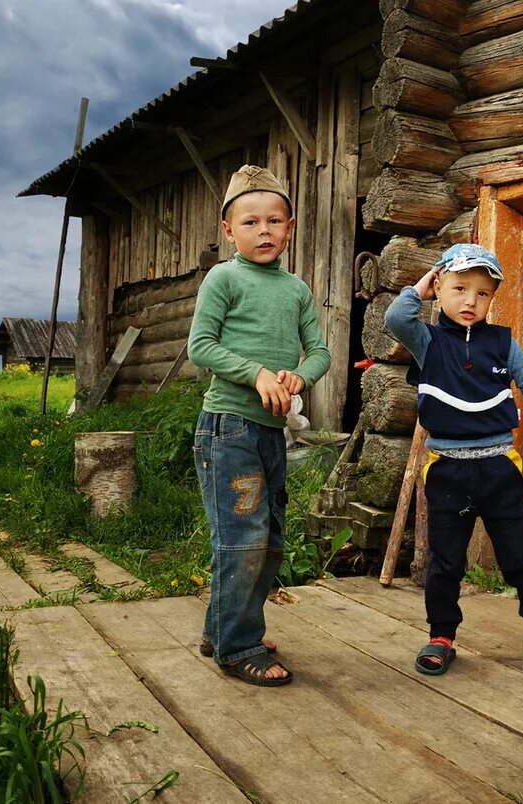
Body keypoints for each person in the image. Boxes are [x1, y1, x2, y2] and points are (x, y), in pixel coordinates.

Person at [384, 243, 523, 675]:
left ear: (492, 298)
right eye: (459, 288)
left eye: (483, 293)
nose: (470, 301)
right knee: (446, 558)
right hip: (447, 469)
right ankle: (441, 635)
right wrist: (421, 289)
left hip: (498, 467)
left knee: (521, 552)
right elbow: (395, 318)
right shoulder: (427, 340)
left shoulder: (503, 344)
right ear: (440, 286)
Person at [188, 165, 331, 686]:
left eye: (274, 221)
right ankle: (237, 647)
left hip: (271, 434)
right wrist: (258, 374)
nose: (263, 231)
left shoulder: (295, 290)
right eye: (250, 223)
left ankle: (223, 628)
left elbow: (320, 352)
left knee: (267, 539)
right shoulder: (223, 279)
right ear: (230, 231)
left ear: (290, 227)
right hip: (227, 430)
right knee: (242, 537)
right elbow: (199, 346)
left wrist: (298, 376)